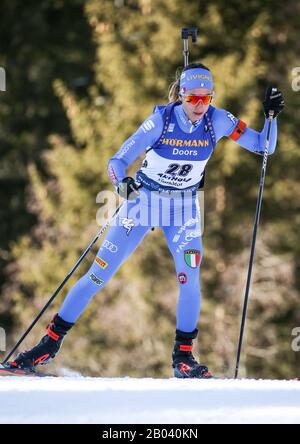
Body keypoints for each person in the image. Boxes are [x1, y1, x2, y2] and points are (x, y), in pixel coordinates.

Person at [7, 63, 284, 378]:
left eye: (206, 99)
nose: (199, 106)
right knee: (97, 277)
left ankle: (183, 358)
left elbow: (264, 146)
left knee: (189, 279)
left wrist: (271, 117)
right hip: (143, 204)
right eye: (193, 99)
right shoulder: (160, 122)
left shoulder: (218, 120)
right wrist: (120, 183)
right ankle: (45, 348)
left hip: (183, 209)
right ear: (181, 95)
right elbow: (117, 161)